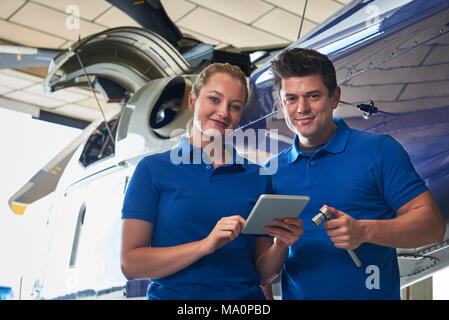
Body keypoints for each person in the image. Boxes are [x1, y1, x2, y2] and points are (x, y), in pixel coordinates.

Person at [263, 48, 446, 299]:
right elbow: (259, 272)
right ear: (282, 104)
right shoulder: (269, 173)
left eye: (313, 96)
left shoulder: (379, 151)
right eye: (291, 99)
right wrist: (279, 244)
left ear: (334, 97)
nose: (301, 108)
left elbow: (432, 227)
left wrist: (364, 231)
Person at [120, 62, 303, 300]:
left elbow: (263, 273)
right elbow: (131, 265)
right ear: (193, 101)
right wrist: (205, 245)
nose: (224, 113)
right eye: (214, 99)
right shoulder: (153, 170)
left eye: (234, 106)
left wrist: (280, 244)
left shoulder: (258, 177)